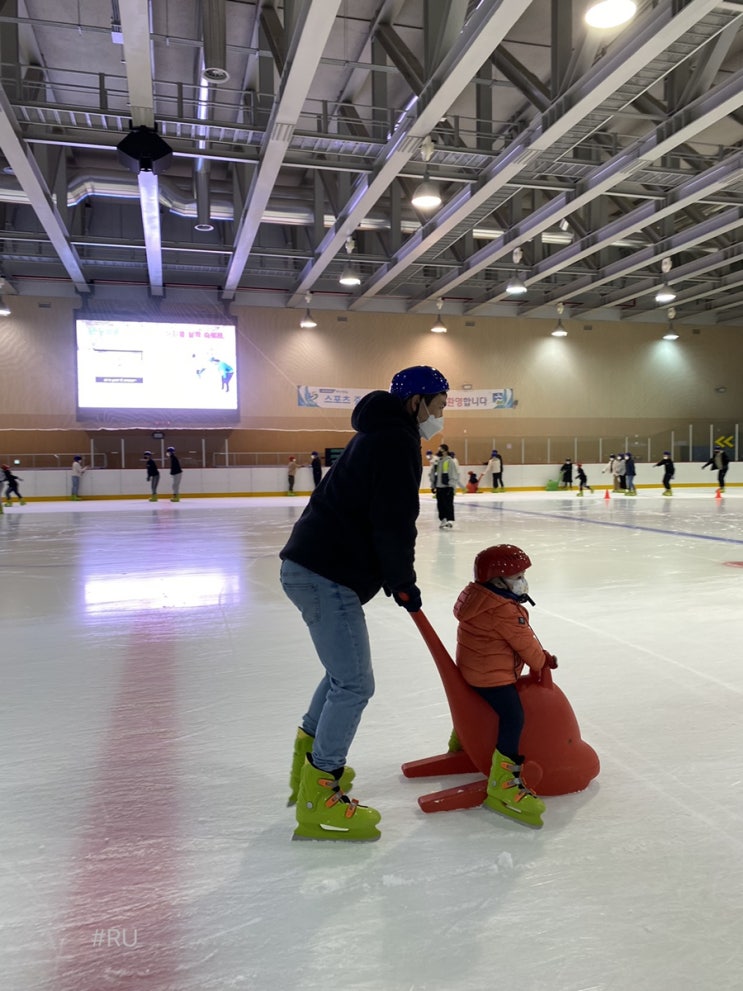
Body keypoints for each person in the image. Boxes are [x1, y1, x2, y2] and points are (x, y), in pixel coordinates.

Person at [279, 364, 449, 842]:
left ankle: (307, 770)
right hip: (324, 572)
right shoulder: (396, 440)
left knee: (342, 676)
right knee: (355, 684)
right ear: (416, 401)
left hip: (313, 567)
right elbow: (393, 520)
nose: (440, 417)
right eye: (437, 406)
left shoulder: (379, 432)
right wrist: (403, 581)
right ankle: (321, 794)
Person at [453, 544, 557, 828]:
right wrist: (543, 662)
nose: (523, 581)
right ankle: (504, 782)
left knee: (483, 708)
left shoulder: (477, 597)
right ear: (496, 581)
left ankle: (462, 744)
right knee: (514, 716)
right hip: (491, 677)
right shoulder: (504, 612)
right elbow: (529, 650)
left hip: (473, 672)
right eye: (517, 576)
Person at [430, 442, 459, 528]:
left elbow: (453, 474)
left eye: (441, 450)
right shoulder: (437, 462)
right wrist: (433, 485)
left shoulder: (449, 461)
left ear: (446, 451)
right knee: (440, 505)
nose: (439, 451)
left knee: (448, 504)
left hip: (447, 487)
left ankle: (450, 520)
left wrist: (451, 486)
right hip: (439, 487)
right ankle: (443, 519)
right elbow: (433, 474)